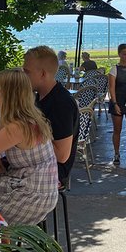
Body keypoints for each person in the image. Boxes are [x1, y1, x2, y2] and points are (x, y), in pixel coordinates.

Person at [0, 68, 58, 225]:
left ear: (7, 94)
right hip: (42, 191)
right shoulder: (31, 118)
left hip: (29, 197)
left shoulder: (16, 127)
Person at [22, 46, 78, 185]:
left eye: (27, 72)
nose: (23, 76)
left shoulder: (62, 103)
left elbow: (62, 156)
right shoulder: (37, 97)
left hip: (53, 174)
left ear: (43, 74)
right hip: (35, 166)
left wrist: (25, 132)